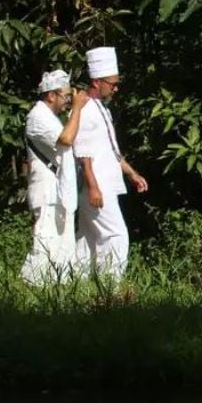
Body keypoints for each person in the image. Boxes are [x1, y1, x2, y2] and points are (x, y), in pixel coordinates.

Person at [75, 46, 148, 279]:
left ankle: (75, 284)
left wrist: (131, 174)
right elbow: (83, 152)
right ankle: (110, 288)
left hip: (106, 181)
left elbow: (111, 150)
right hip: (96, 186)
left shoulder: (102, 110)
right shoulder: (86, 109)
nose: (115, 89)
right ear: (97, 82)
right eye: (112, 84)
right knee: (116, 235)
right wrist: (93, 186)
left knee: (87, 238)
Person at [22, 70, 88, 284]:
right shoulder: (37, 116)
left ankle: (57, 288)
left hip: (58, 188)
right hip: (46, 189)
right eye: (66, 96)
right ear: (51, 95)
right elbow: (67, 139)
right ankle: (32, 285)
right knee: (45, 240)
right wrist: (77, 108)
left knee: (63, 243)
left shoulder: (50, 117)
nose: (68, 101)